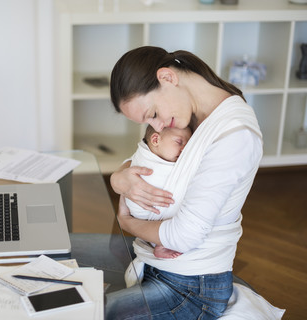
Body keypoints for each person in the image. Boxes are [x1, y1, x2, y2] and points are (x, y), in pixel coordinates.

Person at [105, 46, 263, 320]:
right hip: (151, 263)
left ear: (167, 78)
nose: (157, 128)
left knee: (92, 312)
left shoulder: (235, 135)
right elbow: (147, 158)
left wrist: (127, 223)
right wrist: (118, 177)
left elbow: (184, 236)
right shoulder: (189, 117)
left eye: (153, 114)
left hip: (192, 290)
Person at [127, 125, 192, 259]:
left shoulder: (157, 154)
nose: (185, 149)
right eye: (179, 142)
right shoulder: (147, 160)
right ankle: (161, 242)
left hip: (140, 213)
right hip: (145, 210)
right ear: (155, 140)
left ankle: (158, 240)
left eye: (188, 144)